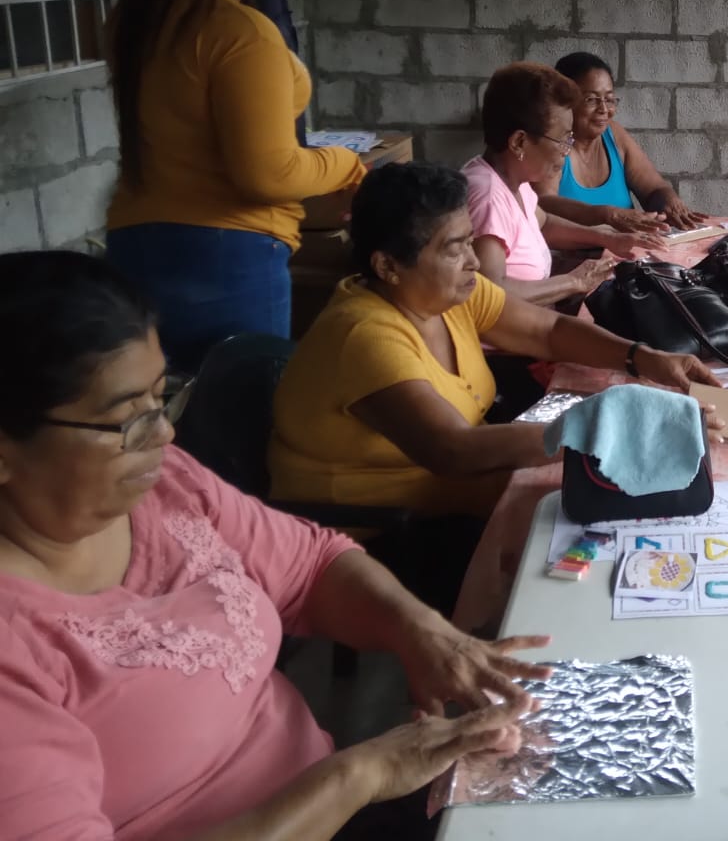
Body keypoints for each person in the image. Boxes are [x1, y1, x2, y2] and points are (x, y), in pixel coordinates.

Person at [0, 249, 551, 841]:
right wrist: (361, 775)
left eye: (162, 398)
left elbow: (312, 564)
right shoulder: (16, 646)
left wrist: (420, 631)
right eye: (127, 420)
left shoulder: (168, 489)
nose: (164, 432)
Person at [269, 162, 722, 607]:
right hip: (374, 536)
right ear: (388, 265)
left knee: (609, 505)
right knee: (590, 544)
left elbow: (548, 331)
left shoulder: (445, 294)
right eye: (454, 249)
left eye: (470, 241)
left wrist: (643, 357)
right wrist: (606, 432)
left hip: (453, 493)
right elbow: (452, 450)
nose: (473, 260)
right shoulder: (365, 335)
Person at [103, 0, 364, 374]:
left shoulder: (139, 16)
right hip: (225, 257)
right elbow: (269, 173)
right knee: (240, 410)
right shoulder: (240, 32)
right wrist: (346, 165)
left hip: (135, 245)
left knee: (155, 408)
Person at [464, 61, 663, 309]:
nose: (566, 151)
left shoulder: (514, 181)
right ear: (519, 142)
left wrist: (607, 237)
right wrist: (574, 282)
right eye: (563, 139)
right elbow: (489, 292)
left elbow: (544, 223)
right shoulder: (488, 197)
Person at [533, 51, 706, 233]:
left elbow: (654, 188)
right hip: (574, 250)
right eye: (591, 99)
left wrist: (669, 201)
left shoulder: (614, 135)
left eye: (609, 99)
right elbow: (542, 202)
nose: (604, 109)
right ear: (564, 101)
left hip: (628, 248)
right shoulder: (551, 143)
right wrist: (607, 215)